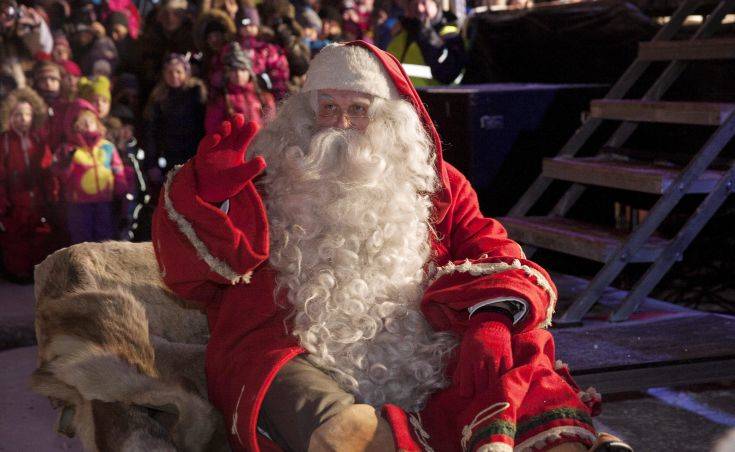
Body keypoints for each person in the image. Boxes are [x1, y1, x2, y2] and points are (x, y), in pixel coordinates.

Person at [153, 42, 631, 452]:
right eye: (328, 106)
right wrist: (207, 200)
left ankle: (553, 439)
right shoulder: (267, 178)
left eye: (357, 108)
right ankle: (363, 436)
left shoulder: (436, 186)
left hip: (420, 347)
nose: (340, 122)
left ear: (386, 118)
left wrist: (490, 317)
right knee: (289, 391)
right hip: (295, 345)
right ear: (305, 112)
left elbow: (494, 247)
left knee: (516, 351)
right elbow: (193, 275)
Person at [0, 87, 58, 282]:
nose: (22, 119)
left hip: (36, 196)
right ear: (9, 116)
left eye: (27, 114)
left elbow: (48, 169)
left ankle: (36, 269)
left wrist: (52, 193)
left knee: (38, 233)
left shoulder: (38, 140)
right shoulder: (5, 142)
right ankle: (17, 270)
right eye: (17, 114)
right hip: (14, 198)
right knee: (15, 236)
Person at [54, 99, 127, 244]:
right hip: (79, 204)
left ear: (97, 123)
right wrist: (66, 163)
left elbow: (117, 168)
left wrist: (121, 186)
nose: (87, 125)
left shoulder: (106, 147)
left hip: (104, 201)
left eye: (91, 121)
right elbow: (59, 173)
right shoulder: (68, 149)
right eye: (82, 122)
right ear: (74, 125)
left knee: (105, 237)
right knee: (82, 239)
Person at [143, 53, 206, 192]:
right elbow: (151, 132)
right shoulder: (158, 97)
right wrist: (152, 163)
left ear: (186, 72)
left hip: (194, 154)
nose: (174, 76)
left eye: (178, 71)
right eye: (169, 72)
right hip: (169, 156)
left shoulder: (197, 93)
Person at [386, 0, 465, 86]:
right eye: (415, 4)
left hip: (435, 96)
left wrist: (426, 36)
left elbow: (448, 74)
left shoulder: (451, 31)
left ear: (435, 3)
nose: (420, 8)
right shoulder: (402, 31)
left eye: (424, 2)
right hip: (402, 95)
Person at [204, 42, 273, 134]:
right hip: (236, 147)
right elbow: (212, 129)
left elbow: (272, 125)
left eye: (243, 70)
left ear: (250, 72)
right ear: (227, 73)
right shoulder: (220, 100)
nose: (238, 74)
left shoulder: (264, 98)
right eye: (233, 70)